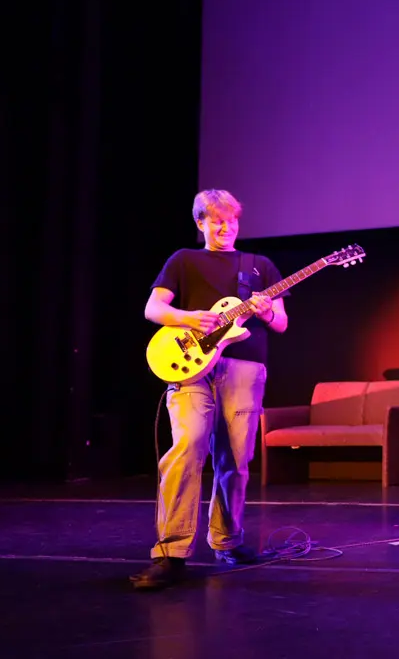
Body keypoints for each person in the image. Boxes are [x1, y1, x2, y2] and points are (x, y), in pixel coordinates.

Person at [131, 189, 289, 590]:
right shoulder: (183, 260)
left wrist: (267, 309)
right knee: (187, 447)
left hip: (244, 367)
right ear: (200, 222)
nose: (226, 227)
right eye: (217, 220)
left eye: (232, 220)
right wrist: (190, 318)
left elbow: (281, 323)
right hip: (191, 365)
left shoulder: (260, 266)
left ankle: (228, 541)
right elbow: (154, 309)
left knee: (236, 458)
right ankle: (170, 551)